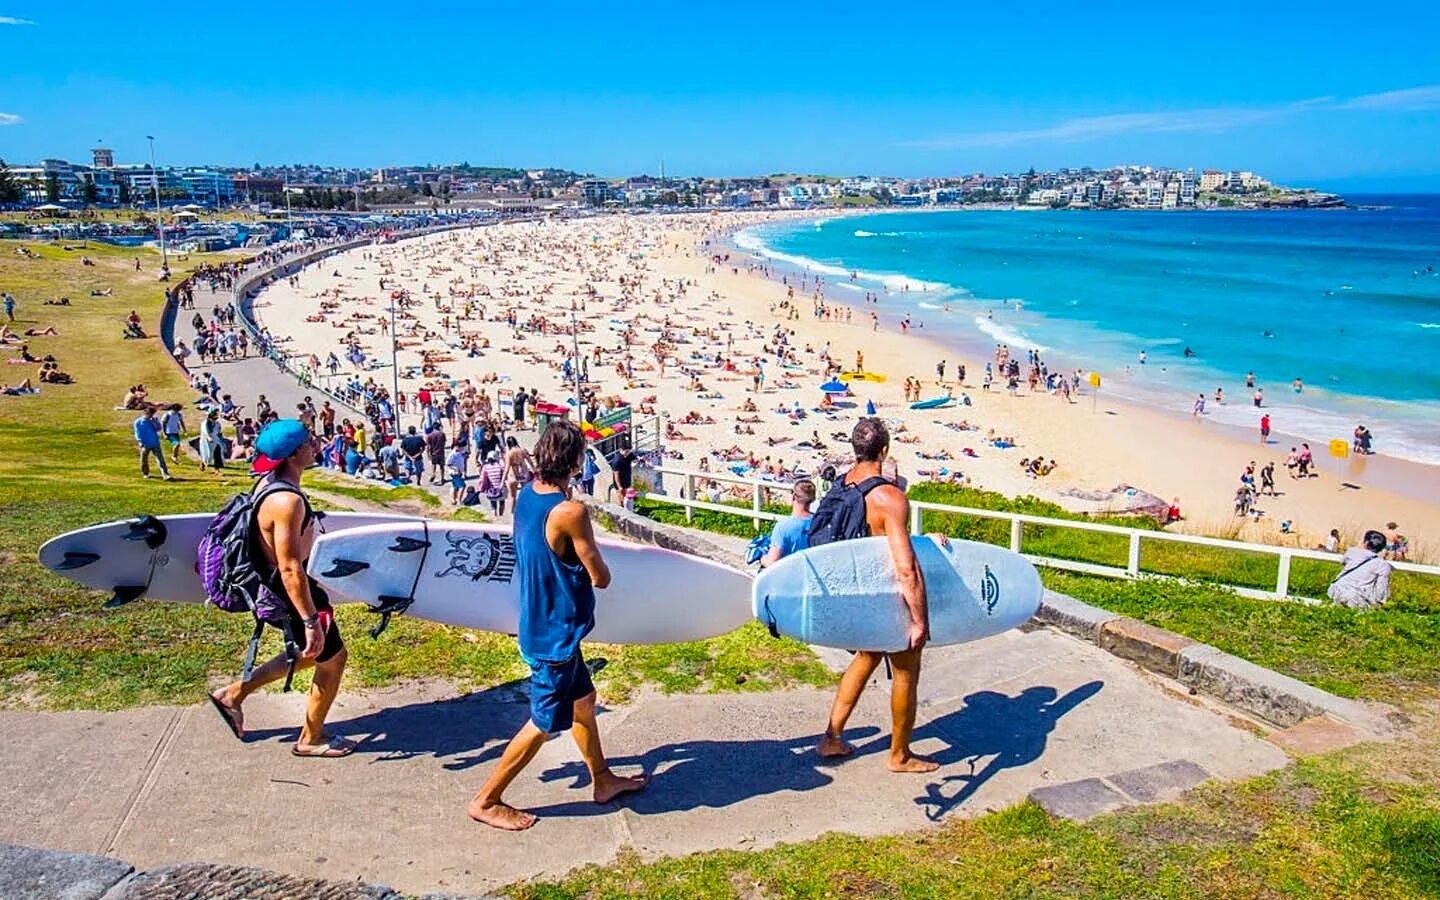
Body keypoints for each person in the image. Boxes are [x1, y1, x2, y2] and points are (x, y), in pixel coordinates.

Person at [467, 420, 646, 830]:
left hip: (538, 619)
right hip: (555, 634)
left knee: (584, 702)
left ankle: (602, 780)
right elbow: (600, 576)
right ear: (576, 460)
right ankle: (486, 799)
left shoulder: (528, 496)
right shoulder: (570, 512)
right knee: (544, 723)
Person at [208, 420, 354, 756]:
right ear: (293, 454)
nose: (315, 444)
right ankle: (311, 739)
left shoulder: (270, 484)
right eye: (309, 441)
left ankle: (232, 695)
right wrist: (309, 619)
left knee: (310, 654)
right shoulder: (286, 502)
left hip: (285, 589)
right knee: (332, 660)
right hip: (290, 594)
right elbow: (289, 566)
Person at [817, 418, 939, 774]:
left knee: (867, 657)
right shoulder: (888, 497)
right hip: (887, 596)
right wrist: (919, 620)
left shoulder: (842, 485)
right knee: (906, 672)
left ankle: (832, 738)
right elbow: (905, 567)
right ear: (884, 451)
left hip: (856, 592)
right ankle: (899, 755)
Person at [1327, 530, 1393, 609]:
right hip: (1356, 597)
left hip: (1336, 590)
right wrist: (1379, 602)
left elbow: (1343, 561)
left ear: (1365, 542)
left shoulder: (1351, 552)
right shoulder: (1383, 565)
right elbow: (1381, 586)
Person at [760, 479, 816, 567]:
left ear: (794, 496)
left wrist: (762, 558)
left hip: (789, 574)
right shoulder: (818, 522)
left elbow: (772, 563)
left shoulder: (783, 526)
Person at [133, 406, 173, 480]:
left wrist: (154, 422)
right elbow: (137, 433)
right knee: (144, 459)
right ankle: (145, 473)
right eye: (149, 414)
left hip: (155, 442)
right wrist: (140, 441)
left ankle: (165, 474)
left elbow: (158, 429)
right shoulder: (138, 422)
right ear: (145, 413)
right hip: (145, 443)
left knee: (160, 459)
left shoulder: (153, 420)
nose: (151, 416)